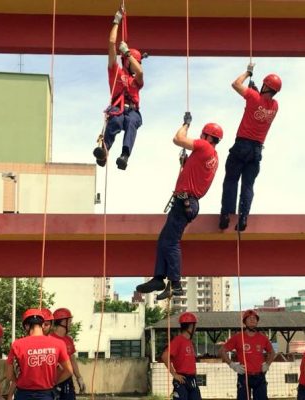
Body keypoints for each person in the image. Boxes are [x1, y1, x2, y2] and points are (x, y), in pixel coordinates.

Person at [136, 112, 222, 300]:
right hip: (188, 202)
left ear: (208, 137)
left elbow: (178, 139)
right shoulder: (213, 156)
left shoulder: (204, 147)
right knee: (164, 240)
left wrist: (186, 124)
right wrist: (186, 163)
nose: (200, 138)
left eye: (202, 135)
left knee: (171, 242)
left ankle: (175, 284)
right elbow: (195, 173)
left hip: (185, 201)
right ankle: (159, 278)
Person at [219, 64, 281, 231]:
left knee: (231, 180)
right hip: (256, 150)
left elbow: (236, 84)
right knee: (248, 185)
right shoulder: (275, 106)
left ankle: (226, 215)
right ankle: (243, 217)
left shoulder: (254, 97)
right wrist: (255, 91)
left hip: (242, 145)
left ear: (266, 86)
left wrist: (248, 72)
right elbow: (262, 104)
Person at [94, 6, 145, 170]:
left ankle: (124, 155)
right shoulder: (116, 72)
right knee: (115, 120)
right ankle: (104, 150)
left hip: (132, 111)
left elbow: (140, 71)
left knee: (131, 122)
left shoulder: (136, 79)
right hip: (118, 108)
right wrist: (116, 21)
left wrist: (128, 53)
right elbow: (111, 44)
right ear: (126, 61)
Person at [5, 309, 73, 400]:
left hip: (23, 394)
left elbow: (9, 374)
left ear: (26, 326)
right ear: (42, 324)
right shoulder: (58, 344)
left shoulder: (17, 344)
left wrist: (17, 381)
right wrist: (53, 382)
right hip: (46, 394)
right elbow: (68, 371)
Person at [219, 310, 276, 400]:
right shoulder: (238, 337)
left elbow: (272, 352)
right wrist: (232, 365)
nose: (252, 320)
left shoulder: (262, 338)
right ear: (244, 321)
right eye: (249, 318)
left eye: (254, 318)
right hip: (244, 376)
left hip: (259, 376)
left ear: (257, 321)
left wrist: (267, 364)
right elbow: (222, 351)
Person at [162, 312, 202, 400]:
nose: (195, 328)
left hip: (192, 379)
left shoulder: (189, 341)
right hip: (182, 379)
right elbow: (165, 356)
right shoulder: (178, 340)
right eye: (195, 326)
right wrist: (174, 374)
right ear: (191, 326)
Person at [51, 308, 86, 399]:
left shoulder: (68, 339)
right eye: (69, 321)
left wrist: (79, 378)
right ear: (63, 322)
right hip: (53, 381)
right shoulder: (49, 339)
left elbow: (72, 360)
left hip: (67, 381)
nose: (71, 324)